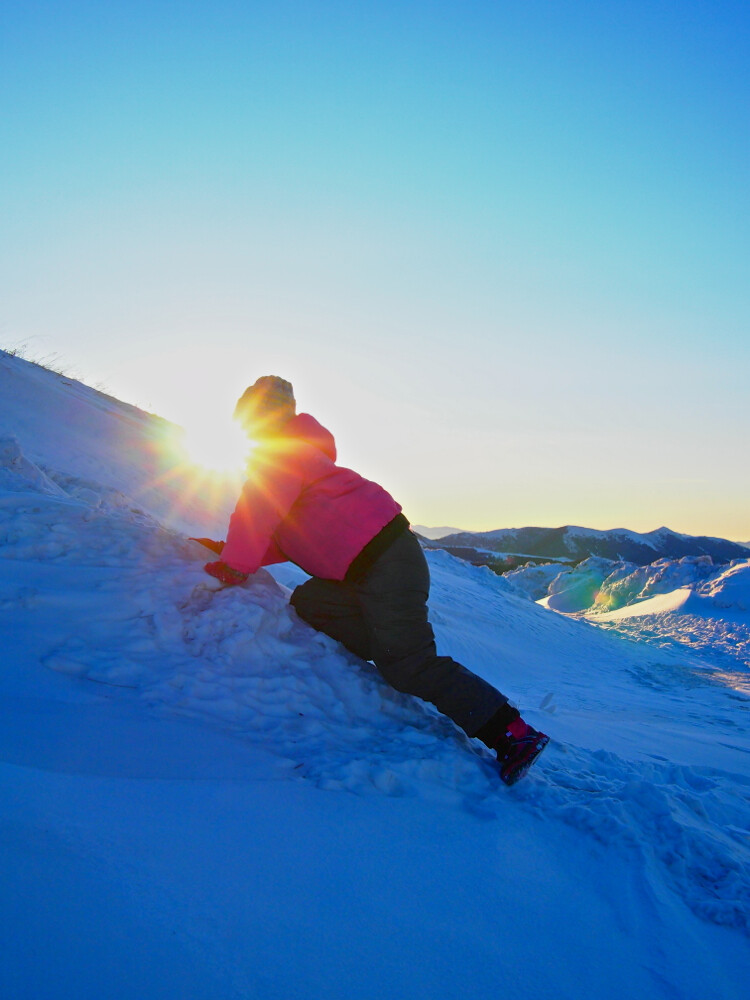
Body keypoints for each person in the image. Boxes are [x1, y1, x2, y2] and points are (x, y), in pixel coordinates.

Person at [198, 376, 549, 785]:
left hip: (385, 563)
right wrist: (227, 550)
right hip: (372, 568)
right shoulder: (297, 461)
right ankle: (392, 654)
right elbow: (278, 536)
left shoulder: (284, 456)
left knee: (411, 664)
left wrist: (234, 565)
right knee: (312, 602)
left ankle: (513, 733)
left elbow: (256, 512)